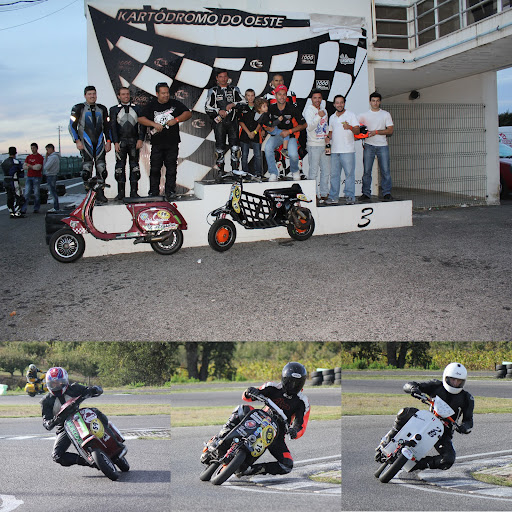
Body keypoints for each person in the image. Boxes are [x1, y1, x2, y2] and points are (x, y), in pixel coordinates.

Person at [208, 362, 310, 477]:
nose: (292, 386)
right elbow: (247, 396)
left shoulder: (302, 402)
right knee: (243, 409)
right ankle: (220, 438)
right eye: (290, 382)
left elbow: (301, 424)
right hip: (258, 418)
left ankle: (252, 469)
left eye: (297, 383)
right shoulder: (272, 387)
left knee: (287, 464)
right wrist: (250, 392)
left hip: (276, 434)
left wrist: (294, 431)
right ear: (283, 379)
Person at [377, 362, 473, 471]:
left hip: (442, 432)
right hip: (425, 419)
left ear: (463, 381)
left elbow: (469, 421)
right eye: (452, 379)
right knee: (405, 412)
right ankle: (387, 441)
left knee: (448, 459)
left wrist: (463, 427)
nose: (455, 383)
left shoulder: (467, 398)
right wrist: (413, 388)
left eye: (458, 381)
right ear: (446, 377)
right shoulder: (436, 385)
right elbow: (409, 384)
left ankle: (417, 465)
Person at [41, 367, 108, 468]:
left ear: (65, 381)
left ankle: (110, 434)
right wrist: (54, 421)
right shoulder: (46, 401)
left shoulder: (74, 388)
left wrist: (94, 390)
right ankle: (86, 461)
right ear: (48, 384)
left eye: (59, 382)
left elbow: (92, 390)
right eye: (53, 384)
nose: (57, 386)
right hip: (64, 427)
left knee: (94, 411)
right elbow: (46, 423)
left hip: (79, 415)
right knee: (57, 456)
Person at [138, 82, 192, 200]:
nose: (166, 95)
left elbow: (188, 113)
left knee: (171, 169)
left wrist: (176, 120)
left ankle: (170, 191)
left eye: (167, 93)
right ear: (157, 94)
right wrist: (153, 124)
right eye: (163, 93)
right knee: (155, 169)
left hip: (172, 142)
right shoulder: (151, 105)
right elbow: (141, 119)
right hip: (157, 143)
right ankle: (153, 192)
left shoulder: (175, 104)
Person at [69, 86, 112, 204]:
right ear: (85, 95)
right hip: (85, 143)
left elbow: (107, 127)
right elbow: (72, 126)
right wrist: (77, 141)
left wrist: (108, 141)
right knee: (86, 170)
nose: (92, 96)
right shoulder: (78, 108)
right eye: (89, 94)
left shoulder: (102, 108)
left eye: (94, 94)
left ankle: (100, 194)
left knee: (102, 169)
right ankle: (88, 195)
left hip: (99, 142)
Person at [205, 69, 246, 177]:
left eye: (225, 77)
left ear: (228, 78)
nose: (223, 79)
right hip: (219, 123)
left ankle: (235, 170)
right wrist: (219, 110)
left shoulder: (234, 89)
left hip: (233, 122)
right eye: (221, 77)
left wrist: (233, 104)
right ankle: (220, 171)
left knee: (235, 148)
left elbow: (244, 102)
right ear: (217, 79)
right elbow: (207, 107)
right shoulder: (212, 91)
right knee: (219, 148)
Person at [264, 85, 307, 182]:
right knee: (268, 148)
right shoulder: (271, 108)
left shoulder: (292, 108)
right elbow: (265, 122)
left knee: (293, 154)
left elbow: (304, 125)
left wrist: (289, 131)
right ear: (275, 95)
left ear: (286, 96)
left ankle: (295, 171)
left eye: (284, 94)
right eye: (280, 94)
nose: (282, 97)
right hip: (277, 135)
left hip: (290, 135)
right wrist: (267, 128)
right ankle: (273, 173)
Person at [109, 87, 145, 199]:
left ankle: (134, 192)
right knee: (119, 168)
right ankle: (120, 193)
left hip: (134, 141)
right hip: (121, 141)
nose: (126, 96)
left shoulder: (137, 108)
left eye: (127, 94)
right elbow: (112, 127)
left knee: (134, 167)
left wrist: (140, 139)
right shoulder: (114, 109)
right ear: (119, 96)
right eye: (123, 94)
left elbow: (142, 125)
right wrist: (115, 142)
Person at [358, 92, 394, 202]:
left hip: (382, 145)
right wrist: (362, 133)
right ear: (370, 102)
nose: (375, 103)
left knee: (385, 171)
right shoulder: (363, 115)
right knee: (367, 171)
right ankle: (366, 193)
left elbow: (390, 130)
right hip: (369, 145)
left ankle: (386, 193)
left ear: (380, 102)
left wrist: (376, 132)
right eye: (373, 101)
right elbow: (357, 129)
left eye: (377, 101)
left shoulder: (385, 114)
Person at [325, 95, 360, 205]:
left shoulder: (351, 115)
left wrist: (349, 127)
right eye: (337, 103)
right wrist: (327, 138)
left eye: (341, 102)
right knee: (334, 175)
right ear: (334, 104)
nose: (339, 104)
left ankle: (349, 197)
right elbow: (330, 132)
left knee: (349, 175)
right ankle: (333, 197)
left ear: (344, 103)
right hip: (335, 151)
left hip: (348, 150)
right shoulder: (332, 117)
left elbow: (358, 131)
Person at [303, 90, 331, 204]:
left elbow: (326, 126)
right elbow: (309, 127)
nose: (317, 100)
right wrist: (318, 117)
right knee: (313, 172)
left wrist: (328, 137)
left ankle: (324, 194)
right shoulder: (308, 110)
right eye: (315, 98)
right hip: (313, 145)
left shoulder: (324, 110)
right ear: (311, 99)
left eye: (319, 98)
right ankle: (312, 194)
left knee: (326, 171)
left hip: (324, 144)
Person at [238, 89, 263, 178]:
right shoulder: (242, 108)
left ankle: (258, 173)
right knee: (244, 155)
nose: (250, 97)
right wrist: (249, 133)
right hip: (245, 134)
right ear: (245, 97)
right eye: (248, 95)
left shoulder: (259, 108)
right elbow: (240, 122)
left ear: (254, 96)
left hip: (256, 134)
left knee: (258, 155)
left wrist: (255, 132)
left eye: (252, 95)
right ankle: (245, 173)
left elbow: (261, 121)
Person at [1, 146, 25, 218]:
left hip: (6, 181)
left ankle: (11, 212)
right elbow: (21, 173)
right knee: (19, 196)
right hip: (14, 181)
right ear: (15, 153)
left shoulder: (3, 162)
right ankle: (17, 212)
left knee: (9, 196)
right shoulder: (16, 162)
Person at [20, 142, 44, 215]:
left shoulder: (40, 157)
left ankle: (36, 208)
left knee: (36, 193)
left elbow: (38, 167)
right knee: (26, 193)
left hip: (37, 176)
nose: (32, 149)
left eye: (33, 148)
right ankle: (23, 209)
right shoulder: (28, 157)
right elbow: (24, 166)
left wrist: (29, 166)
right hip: (29, 176)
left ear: (37, 148)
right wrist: (32, 166)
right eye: (31, 148)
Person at [43, 144, 60, 210]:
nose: (47, 151)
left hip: (51, 175)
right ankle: (56, 207)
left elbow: (46, 167)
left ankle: (56, 207)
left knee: (53, 192)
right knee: (53, 191)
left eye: (47, 149)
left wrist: (46, 158)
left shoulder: (52, 157)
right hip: (54, 174)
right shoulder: (56, 156)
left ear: (51, 149)